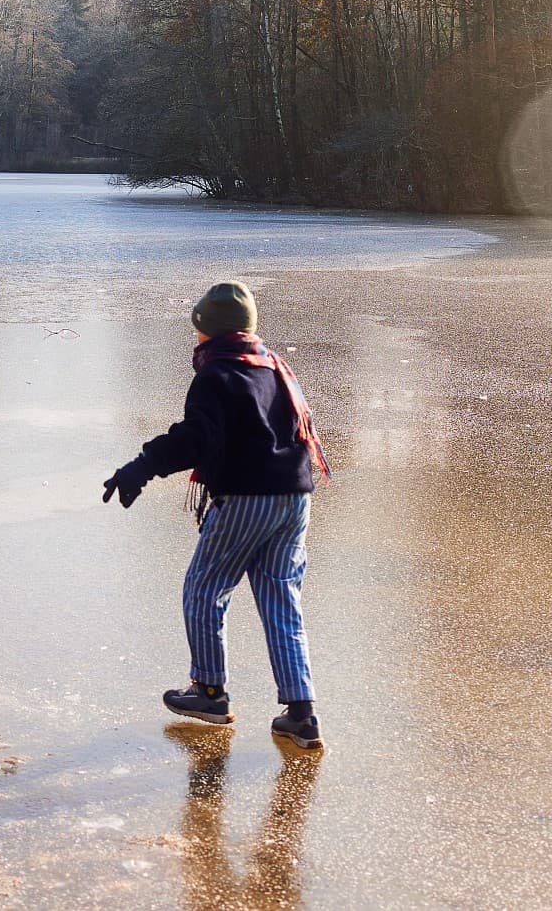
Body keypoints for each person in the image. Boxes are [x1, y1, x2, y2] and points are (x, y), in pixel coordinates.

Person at [103, 281, 329, 751]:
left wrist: (140, 468)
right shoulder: (274, 367)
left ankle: (209, 691)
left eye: (199, 329)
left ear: (211, 330)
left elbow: (195, 439)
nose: (196, 337)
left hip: (247, 496)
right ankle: (301, 713)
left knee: (205, 587)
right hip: (294, 496)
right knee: (281, 601)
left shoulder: (218, 374)